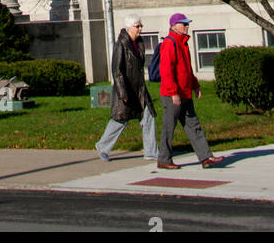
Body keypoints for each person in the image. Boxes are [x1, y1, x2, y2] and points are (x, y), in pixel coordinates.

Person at [157, 13, 224, 169]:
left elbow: (187, 69)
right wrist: (173, 92)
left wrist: (195, 85)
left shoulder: (184, 43)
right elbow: (166, 71)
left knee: (194, 125)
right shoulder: (170, 43)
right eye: (184, 24)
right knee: (169, 127)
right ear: (174, 26)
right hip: (172, 95)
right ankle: (164, 159)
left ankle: (206, 157)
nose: (187, 27)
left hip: (185, 93)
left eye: (187, 24)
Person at [95, 16, 158, 161]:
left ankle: (151, 151)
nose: (140, 29)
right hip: (126, 90)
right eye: (137, 26)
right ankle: (103, 146)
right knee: (120, 119)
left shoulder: (139, 43)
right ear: (129, 27)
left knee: (149, 117)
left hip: (140, 90)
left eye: (141, 26)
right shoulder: (121, 45)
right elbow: (117, 70)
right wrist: (123, 91)